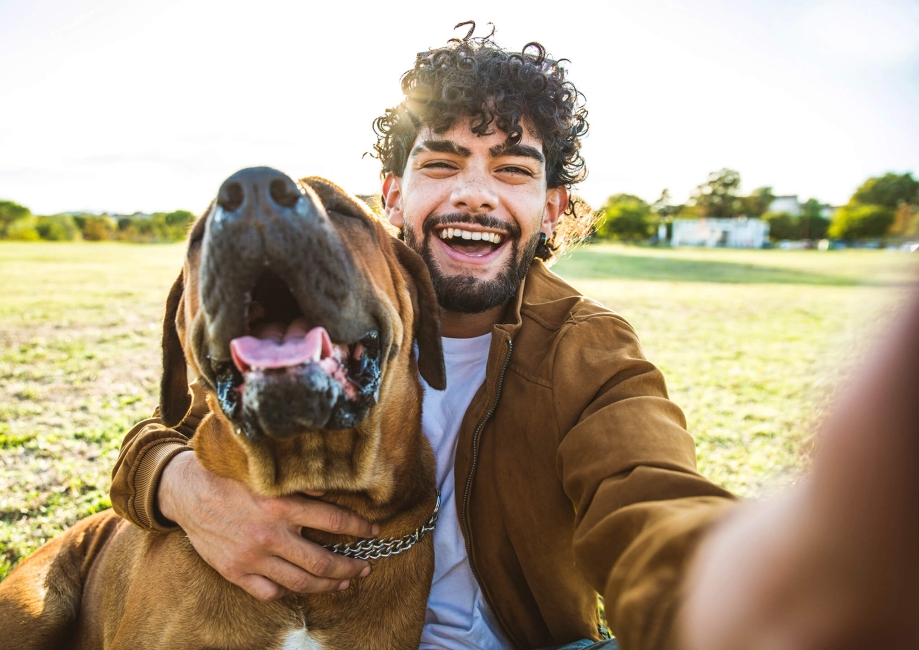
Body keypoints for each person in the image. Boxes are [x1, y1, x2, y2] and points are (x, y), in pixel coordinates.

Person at [113, 24, 919, 650]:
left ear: (554, 206)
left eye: (511, 169)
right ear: (393, 193)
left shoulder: (592, 354)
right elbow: (178, 426)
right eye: (442, 163)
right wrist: (178, 486)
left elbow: (651, 507)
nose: (473, 195)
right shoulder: (319, 328)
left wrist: (767, 598)